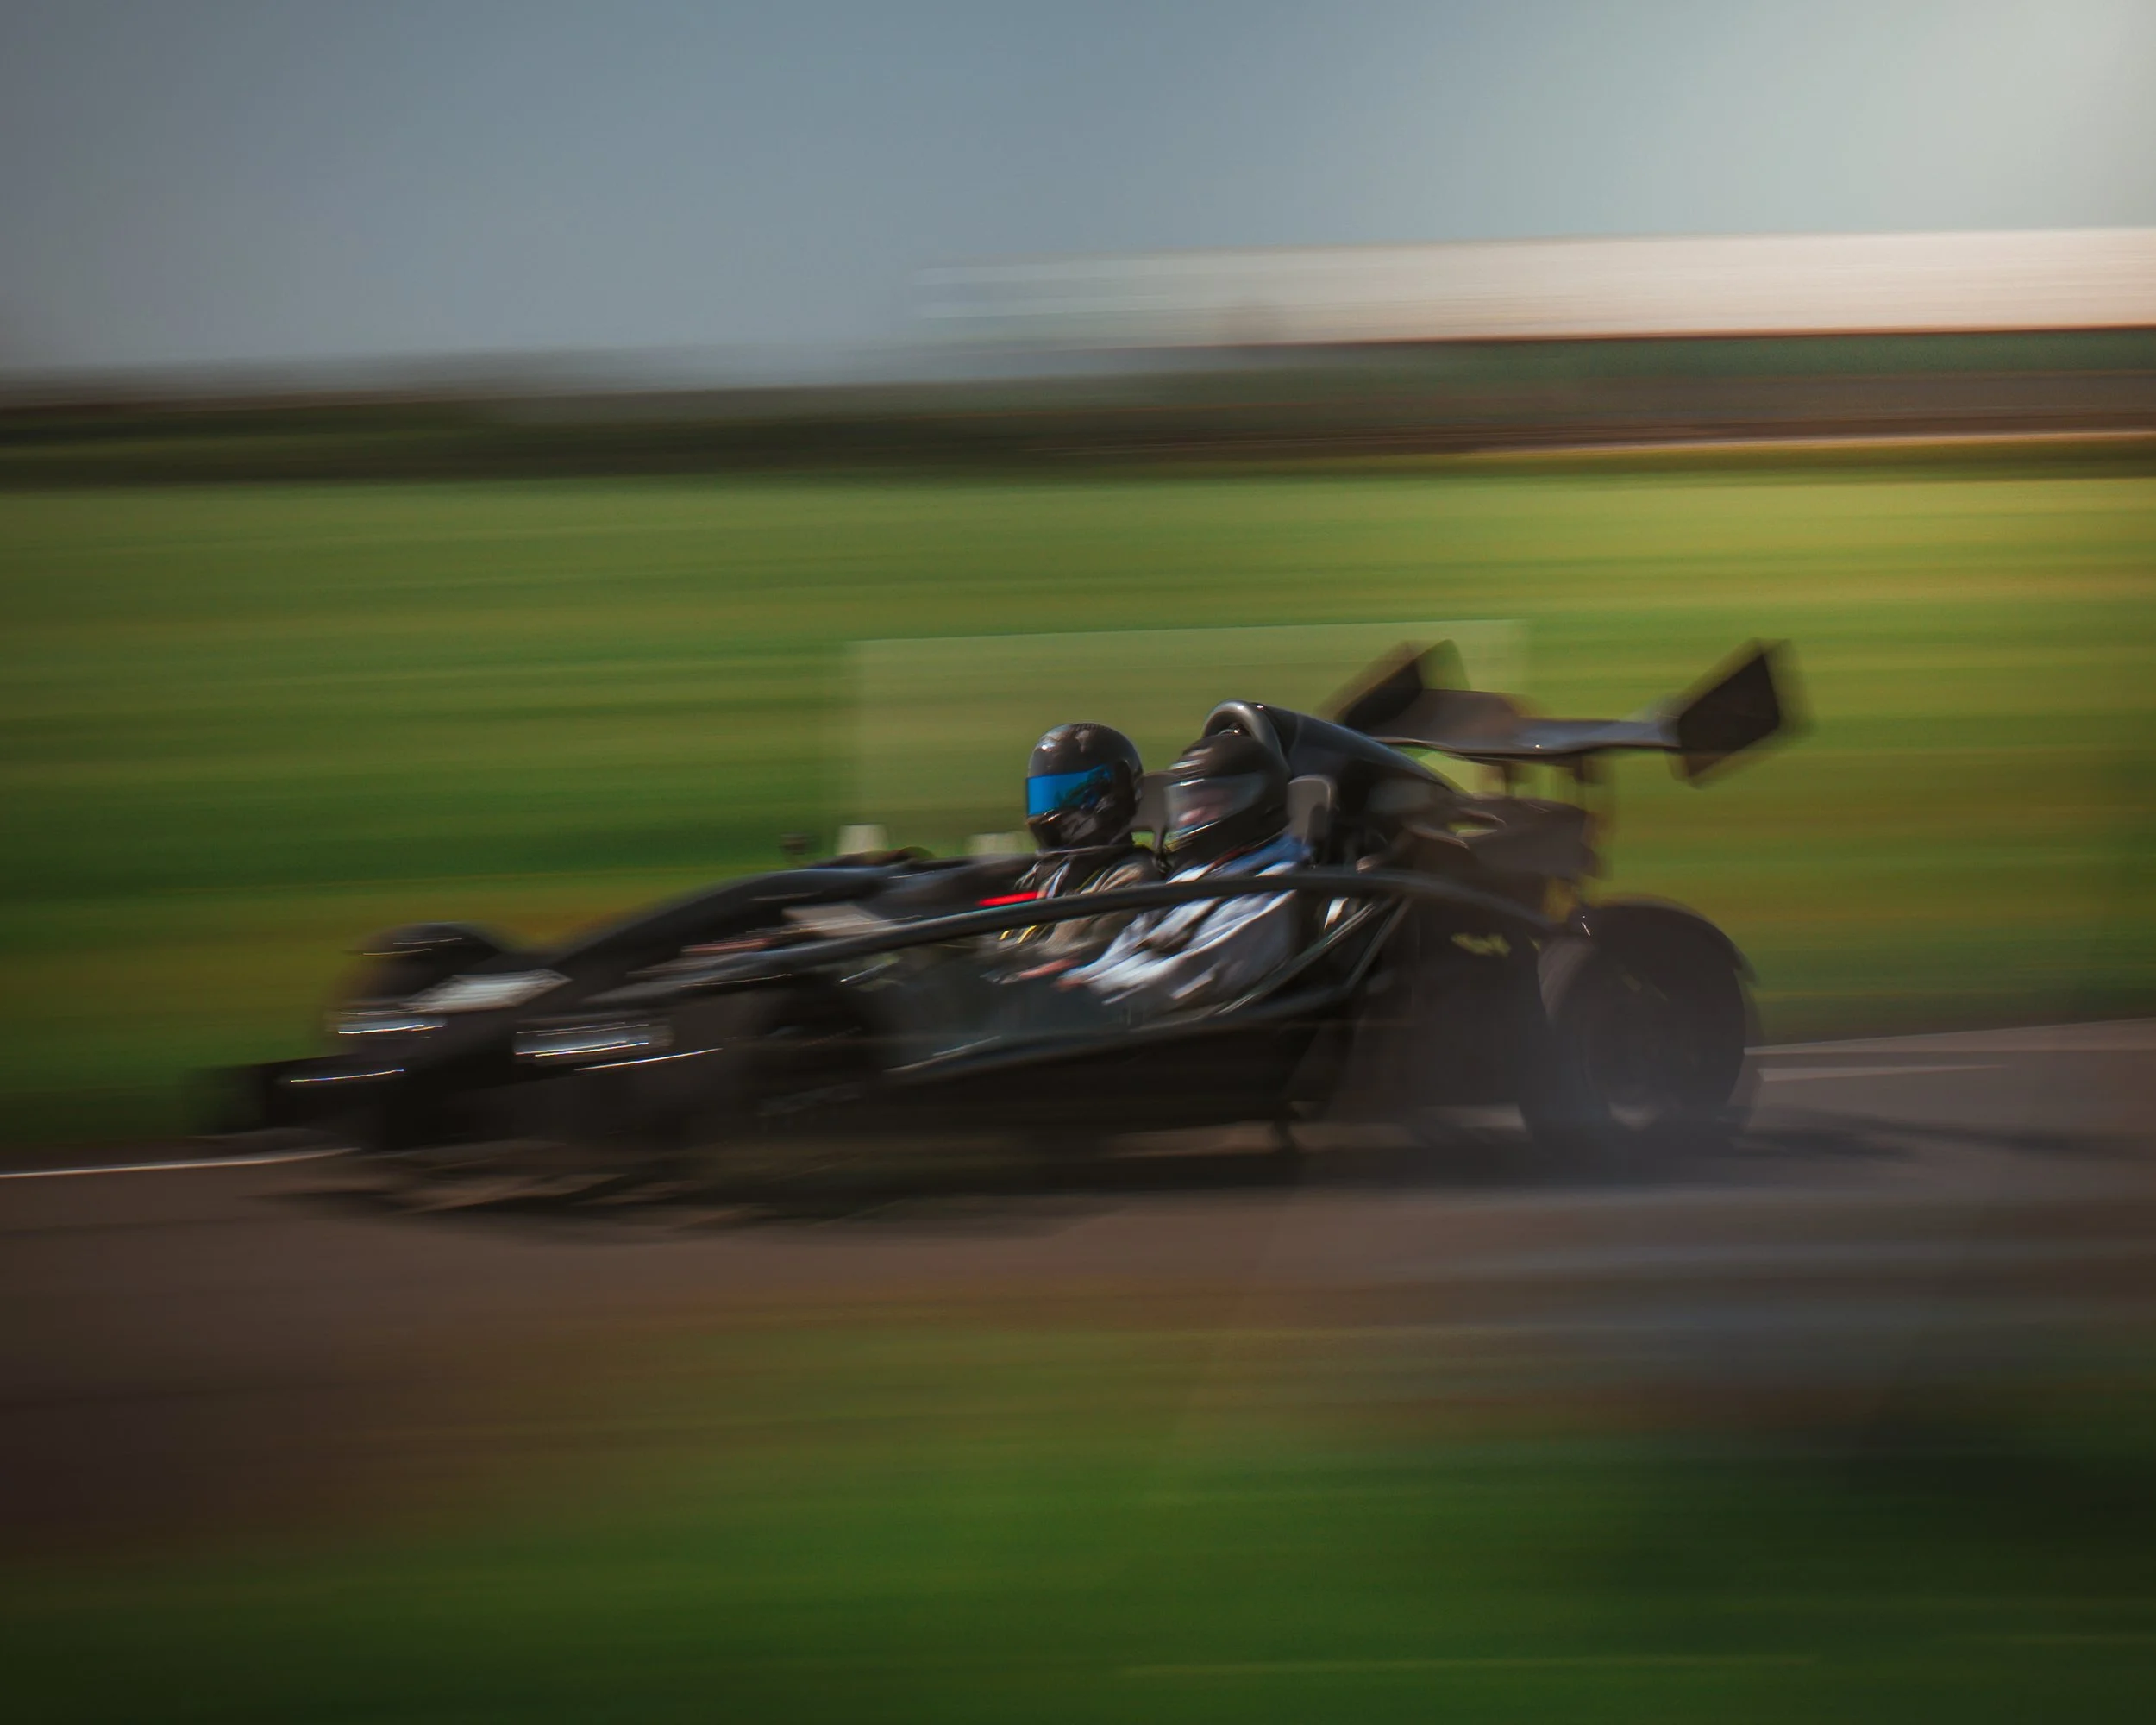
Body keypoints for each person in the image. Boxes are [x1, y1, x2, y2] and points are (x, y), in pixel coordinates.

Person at [1067, 727, 1307, 1018]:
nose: (1191, 816)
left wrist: (1089, 994)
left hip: (1193, 1034)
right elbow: (1130, 945)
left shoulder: (1274, 888)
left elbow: (1193, 975)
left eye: (1210, 804)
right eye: (1189, 803)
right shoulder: (1198, 876)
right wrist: (1077, 980)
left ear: (1258, 801)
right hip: (1132, 1018)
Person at [997, 722, 1160, 971]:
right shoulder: (1052, 872)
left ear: (1111, 799)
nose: (1051, 812)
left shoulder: (1131, 880)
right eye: (1047, 794)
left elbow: (1089, 955)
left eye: (1069, 794)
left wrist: (1004, 955)